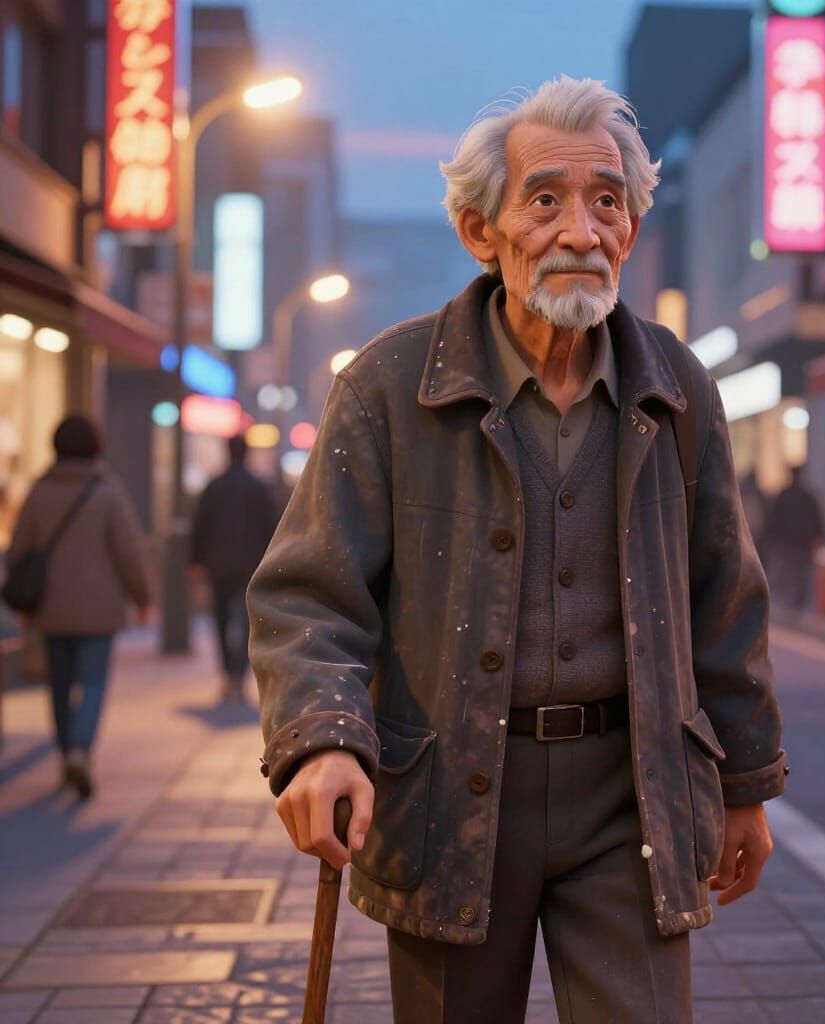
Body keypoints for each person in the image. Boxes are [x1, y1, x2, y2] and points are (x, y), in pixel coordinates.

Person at [248, 77, 786, 1024]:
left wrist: (745, 784)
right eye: (546, 199)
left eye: (606, 200)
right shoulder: (389, 383)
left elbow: (724, 593)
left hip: (634, 792)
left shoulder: (677, 386)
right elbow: (309, 595)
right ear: (478, 230)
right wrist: (323, 740)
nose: (581, 228)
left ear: (628, 228)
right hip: (448, 789)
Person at [6, 414, 151, 798]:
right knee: (92, 683)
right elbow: (129, 552)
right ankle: (80, 750)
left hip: (51, 611)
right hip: (98, 610)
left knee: (58, 683)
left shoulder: (40, 491)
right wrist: (142, 598)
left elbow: (18, 549)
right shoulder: (106, 492)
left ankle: (64, 749)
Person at [190, 434, 277, 702]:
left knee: (220, 619)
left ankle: (228, 672)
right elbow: (272, 529)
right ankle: (239, 674)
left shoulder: (214, 487)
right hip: (252, 565)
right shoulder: (259, 489)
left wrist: (195, 561)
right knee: (248, 621)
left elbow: (200, 527)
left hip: (219, 564)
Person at [763, 464, 824, 610]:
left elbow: (773, 520)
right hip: (803, 541)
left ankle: (791, 601)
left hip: (787, 541)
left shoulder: (784, 495)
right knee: (801, 571)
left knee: (789, 571)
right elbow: (817, 519)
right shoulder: (808, 496)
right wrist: (818, 536)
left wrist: (772, 537)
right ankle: (797, 601)